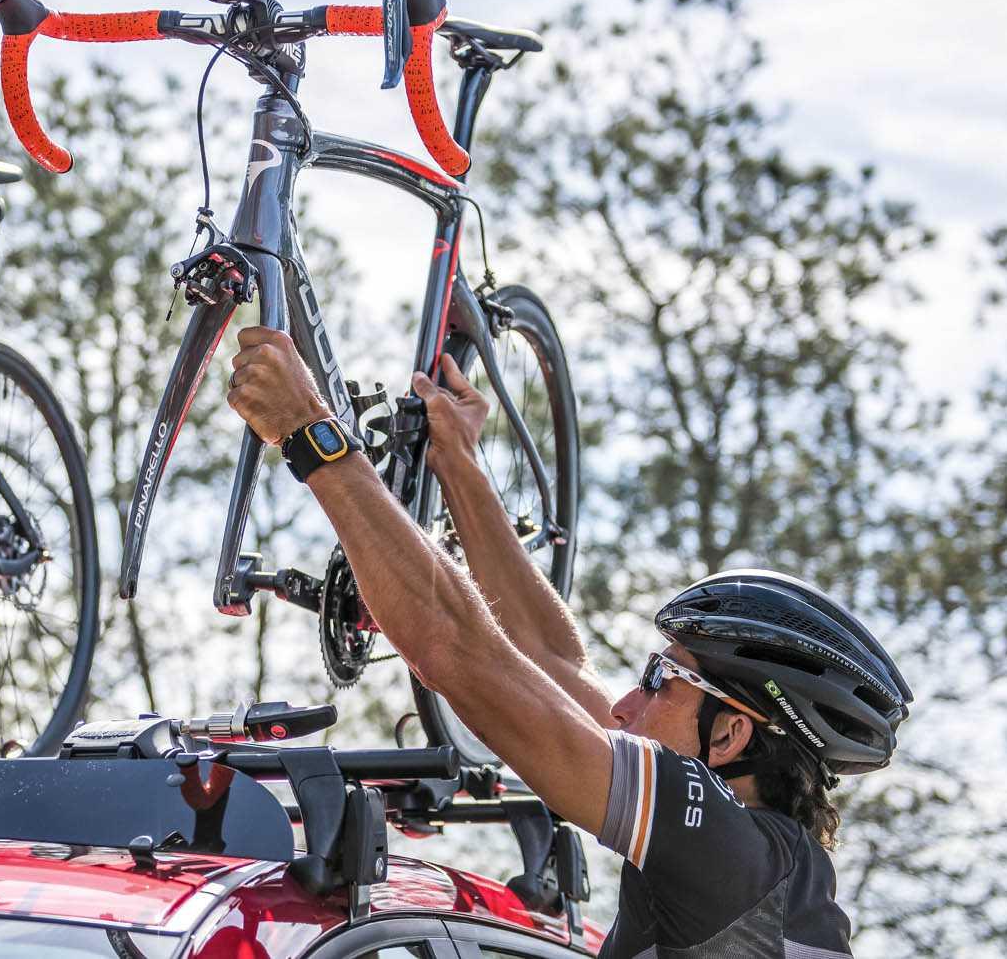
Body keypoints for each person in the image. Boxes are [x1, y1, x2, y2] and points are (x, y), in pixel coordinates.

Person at [226, 326, 913, 958]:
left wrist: (311, 434)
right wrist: (460, 469)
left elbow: (457, 653)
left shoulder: (729, 857)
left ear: (730, 736)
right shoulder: (766, 871)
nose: (622, 704)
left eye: (659, 681)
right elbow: (551, 666)